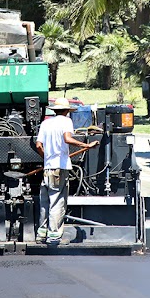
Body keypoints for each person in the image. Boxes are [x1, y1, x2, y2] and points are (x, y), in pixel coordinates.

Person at [35, 97, 99, 245]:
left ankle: (41, 234)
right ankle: (54, 237)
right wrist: (87, 145)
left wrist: (47, 158)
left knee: (45, 202)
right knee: (57, 202)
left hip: (48, 168)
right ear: (66, 111)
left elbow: (38, 145)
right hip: (60, 168)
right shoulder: (66, 121)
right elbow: (67, 139)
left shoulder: (45, 123)